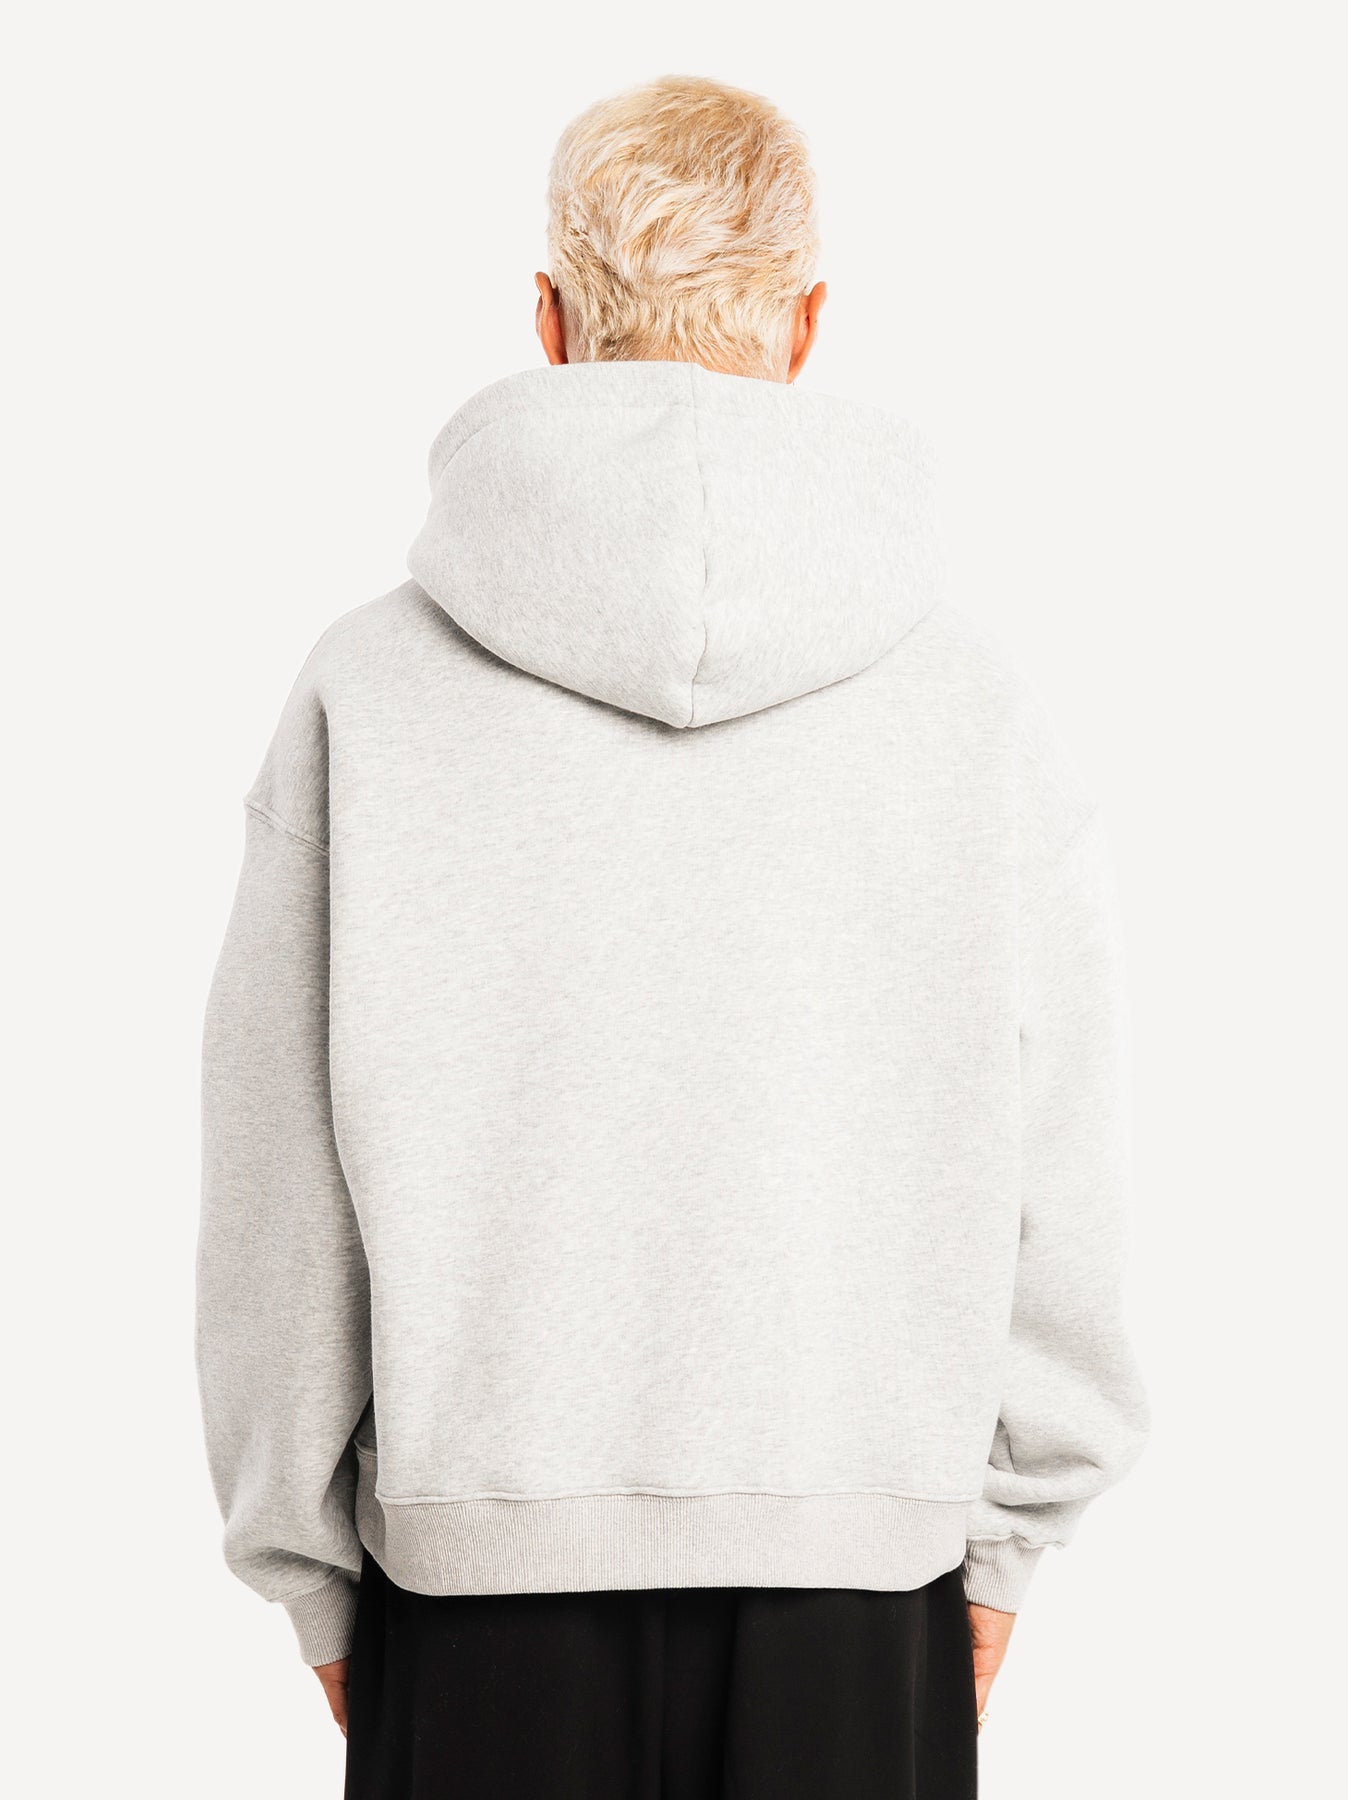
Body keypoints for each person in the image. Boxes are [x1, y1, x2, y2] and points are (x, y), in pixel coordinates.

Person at [196, 74, 1148, 1799]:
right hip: (864, 1593)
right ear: (806, 324)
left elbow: (278, 1173)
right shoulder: (971, 703)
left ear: (550, 320)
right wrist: (1012, 1536)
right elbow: (1061, 1154)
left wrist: (305, 1562)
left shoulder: (369, 690)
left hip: (472, 1600)